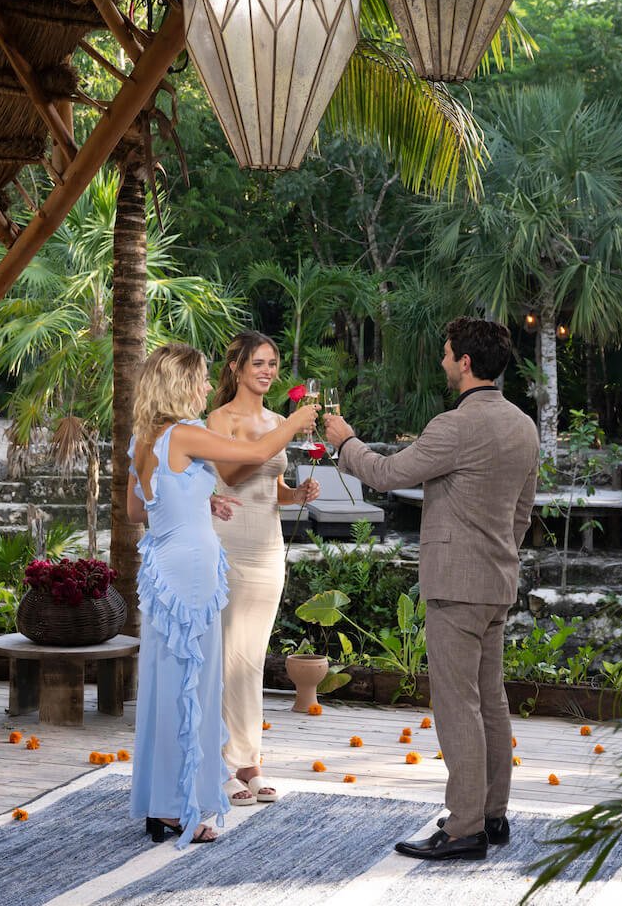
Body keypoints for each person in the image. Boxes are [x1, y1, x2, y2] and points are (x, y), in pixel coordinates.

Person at [323, 318, 539, 862]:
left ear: (465, 362)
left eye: (446, 354)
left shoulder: (455, 425)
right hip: (497, 581)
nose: (443, 361)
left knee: (456, 704)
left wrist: (345, 442)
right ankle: (492, 814)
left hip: (456, 585)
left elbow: (388, 473)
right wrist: (497, 555)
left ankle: (464, 826)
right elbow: (522, 513)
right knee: (489, 699)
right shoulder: (523, 426)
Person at [127, 343, 319, 847]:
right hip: (192, 572)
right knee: (194, 684)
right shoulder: (185, 432)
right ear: (179, 383)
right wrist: (296, 420)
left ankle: (160, 804)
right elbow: (256, 454)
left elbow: (135, 509)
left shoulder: (145, 438)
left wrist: (195, 497)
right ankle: (179, 809)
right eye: (199, 378)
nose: (205, 386)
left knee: (168, 683)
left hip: (162, 570)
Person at [206, 331, 321, 807]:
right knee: (226, 656)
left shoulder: (276, 419)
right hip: (228, 545)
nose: (268, 370)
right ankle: (220, 763)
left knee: (251, 658)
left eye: (273, 362)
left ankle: (250, 760)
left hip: (268, 548)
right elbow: (231, 474)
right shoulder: (220, 418)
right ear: (236, 367)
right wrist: (291, 428)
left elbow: (270, 483)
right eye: (258, 362)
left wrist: (296, 495)